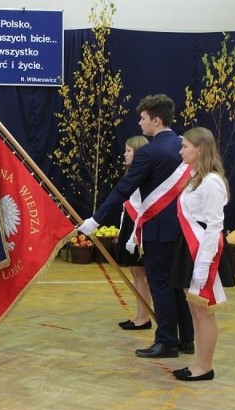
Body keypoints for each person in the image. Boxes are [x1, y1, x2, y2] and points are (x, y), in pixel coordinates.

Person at [78, 94, 194, 358]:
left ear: (156, 120)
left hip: (158, 229)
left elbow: (123, 189)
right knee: (178, 285)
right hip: (183, 228)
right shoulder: (184, 145)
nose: (140, 123)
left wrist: (96, 220)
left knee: (161, 285)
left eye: (143, 118)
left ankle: (166, 341)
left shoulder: (149, 152)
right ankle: (187, 339)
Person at [171, 127, 235, 381]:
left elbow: (214, 226)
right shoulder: (197, 176)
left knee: (204, 310)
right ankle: (199, 363)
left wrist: (204, 264)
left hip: (204, 251)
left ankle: (204, 367)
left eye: (185, 146)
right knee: (194, 309)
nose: (181, 151)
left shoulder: (211, 181)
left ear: (200, 148)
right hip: (189, 247)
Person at [115, 136, 153, 330]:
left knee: (141, 274)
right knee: (135, 273)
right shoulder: (131, 173)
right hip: (130, 223)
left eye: (128, 151)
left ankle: (144, 317)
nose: (125, 154)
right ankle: (139, 314)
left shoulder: (143, 175)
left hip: (139, 226)